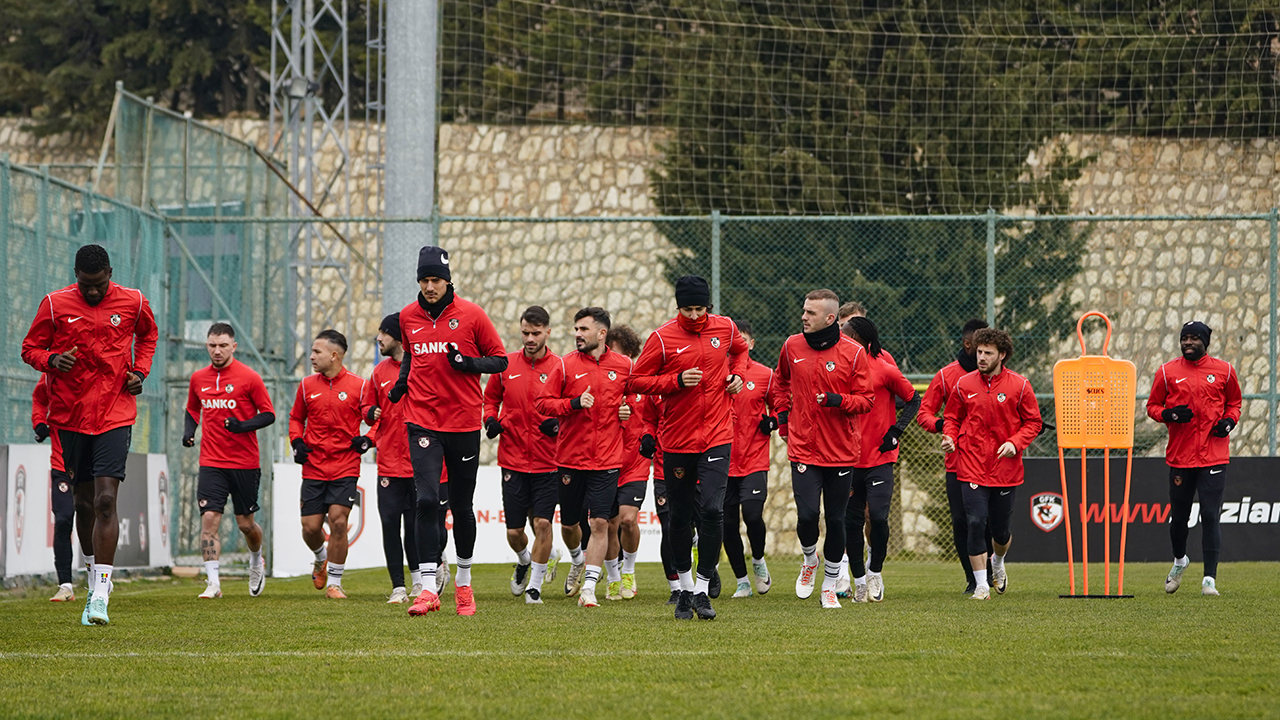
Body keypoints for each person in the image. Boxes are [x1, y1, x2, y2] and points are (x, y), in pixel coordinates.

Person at [21, 243, 158, 626]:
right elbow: (29, 348)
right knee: (82, 503)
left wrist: (140, 372)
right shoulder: (54, 304)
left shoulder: (133, 301)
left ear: (110, 273)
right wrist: (49, 359)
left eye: (98, 285)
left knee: (105, 502)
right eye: (86, 285)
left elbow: (148, 336)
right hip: (69, 416)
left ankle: (100, 594)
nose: (92, 292)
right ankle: (91, 572)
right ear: (76, 277)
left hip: (115, 413)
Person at [391, 246, 508, 617]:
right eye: (423, 280)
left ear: (447, 281)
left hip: (463, 422)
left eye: (435, 280)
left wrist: (469, 363)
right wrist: (402, 382)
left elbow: (500, 359)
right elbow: (411, 354)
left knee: (460, 505)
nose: (429, 287)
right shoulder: (407, 317)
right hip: (422, 419)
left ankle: (464, 584)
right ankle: (427, 588)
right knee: (425, 501)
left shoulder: (472, 315)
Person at [629, 275, 748, 621]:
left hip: (717, 435)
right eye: (687, 309)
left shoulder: (724, 328)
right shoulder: (663, 338)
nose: (694, 315)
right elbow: (635, 381)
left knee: (712, 511)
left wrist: (737, 374)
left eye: (700, 309)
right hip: (677, 440)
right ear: (678, 306)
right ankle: (682, 590)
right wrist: (675, 382)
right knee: (679, 519)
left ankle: (701, 589)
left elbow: (740, 351)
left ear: (708, 306)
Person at [770, 289, 873, 609]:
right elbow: (779, 384)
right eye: (804, 310)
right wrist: (784, 421)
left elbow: (866, 400)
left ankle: (829, 585)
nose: (804, 316)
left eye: (811, 313)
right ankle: (809, 560)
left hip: (841, 450)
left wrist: (837, 400)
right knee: (808, 515)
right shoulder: (791, 346)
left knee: (837, 519)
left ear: (830, 318)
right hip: (803, 447)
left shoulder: (854, 353)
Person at [534, 307, 633, 608]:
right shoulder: (564, 366)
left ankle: (589, 588)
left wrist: (627, 412)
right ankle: (577, 558)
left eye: (584, 329)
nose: (577, 334)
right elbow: (541, 403)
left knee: (601, 524)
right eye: (576, 329)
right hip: (570, 459)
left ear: (602, 333)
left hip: (607, 460)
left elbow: (639, 395)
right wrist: (573, 403)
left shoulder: (624, 365)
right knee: (569, 526)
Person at [941, 328, 1042, 601]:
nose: (981, 357)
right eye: (979, 351)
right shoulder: (964, 384)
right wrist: (950, 437)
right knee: (974, 523)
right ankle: (982, 585)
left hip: (1005, 468)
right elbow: (951, 417)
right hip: (970, 465)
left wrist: (1015, 442)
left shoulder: (1020, 385)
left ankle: (998, 561)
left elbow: (1034, 423)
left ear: (1002, 355)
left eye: (988, 353)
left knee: (1000, 531)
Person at [1146, 320, 1242, 597]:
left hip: (1214, 456)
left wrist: (1229, 421)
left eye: (1194, 338)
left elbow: (1234, 402)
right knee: (1179, 518)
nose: (1188, 342)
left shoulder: (1223, 370)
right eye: (1184, 338)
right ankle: (1180, 562)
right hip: (1180, 457)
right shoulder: (1167, 371)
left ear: (1205, 342)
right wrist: (1169, 414)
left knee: (1211, 516)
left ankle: (1209, 579)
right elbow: (1153, 405)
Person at [183, 323, 275, 599]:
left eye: (223, 345)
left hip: (245, 462)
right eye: (212, 345)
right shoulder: (198, 378)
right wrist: (190, 432)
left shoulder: (249, 377)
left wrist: (242, 426)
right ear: (206, 346)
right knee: (209, 518)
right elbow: (192, 408)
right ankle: (213, 583)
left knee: (246, 524)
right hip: (211, 461)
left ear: (233, 346)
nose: (217, 350)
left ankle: (256, 558)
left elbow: (268, 414)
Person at [483, 306, 564, 604]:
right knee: (516, 531)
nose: (530, 338)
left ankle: (536, 588)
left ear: (548, 333)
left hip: (548, 461)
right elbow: (490, 399)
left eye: (536, 333)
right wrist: (490, 419)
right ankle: (523, 559)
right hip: (513, 460)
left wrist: (559, 423)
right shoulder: (505, 365)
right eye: (525, 333)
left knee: (543, 524)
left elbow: (569, 405)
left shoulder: (560, 367)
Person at [288, 329, 372, 600]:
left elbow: (377, 419)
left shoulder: (360, 386)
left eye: (317, 352)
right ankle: (319, 557)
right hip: (313, 466)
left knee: (338, 521)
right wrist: (297, 442)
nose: (311, 356)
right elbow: (295, 419)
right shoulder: (306, 385)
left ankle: (335, 583)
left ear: (334, 355)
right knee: (310, 527)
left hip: (345, 466)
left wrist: (367, 439)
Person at [840, 316, 919, 603]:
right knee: (850, 522)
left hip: (879, 458)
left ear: (863, 341)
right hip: (846, 458)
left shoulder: (885, 369)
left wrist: (896, 430)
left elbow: (913, 400)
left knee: (879, 518)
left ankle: (875, 571)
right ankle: (859, 581)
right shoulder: (838, 369)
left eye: (847, 335)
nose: (842, 339)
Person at [916, 319, 993, 594]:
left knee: (991, 523)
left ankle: (995, 566)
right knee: (964, 522)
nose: (985, 353)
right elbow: (924, 412)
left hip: (994, 463)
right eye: (981, 347)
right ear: (968, 344)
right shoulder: (947, 375)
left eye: (990, 348)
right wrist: (944, 428)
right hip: (958, 464)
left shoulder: (1001, 377)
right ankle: (974, 579)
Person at [363, 313, 422, 604]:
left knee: (413, 525)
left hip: (418, 463)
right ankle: (398, 586)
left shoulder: (420, 369)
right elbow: (368, 405)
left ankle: (418, 581)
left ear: (398, 337)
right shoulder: (378, 372)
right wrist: (369, 413)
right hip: (388, 463)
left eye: (384, 333)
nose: (379, 338)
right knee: (389, 524)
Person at [723, 319, 776, 598]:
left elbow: (780, 404)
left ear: (751, 344)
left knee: (752, 515)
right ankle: (742, 581)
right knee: (727, 524)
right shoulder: (716, 373)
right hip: (720, 461)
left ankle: (758, 559)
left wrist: (773, 420)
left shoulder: (765, 374)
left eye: (742, 341)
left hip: (754, 459)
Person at [605, 324, 646, 601]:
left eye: (622, 355)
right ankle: (612, 577)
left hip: (635, 462)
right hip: (605, 459)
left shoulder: (643, 383)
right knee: (608, 524)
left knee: (628, 520)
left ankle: (628, 571)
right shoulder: (601, 382)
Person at [32, 375, 78, 603]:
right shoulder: (51, 374)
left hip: (89, 462)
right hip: (61, 464)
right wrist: (39, 422)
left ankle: (98, 578)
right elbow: (39, 398)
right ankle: (65, 585)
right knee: (63, 519)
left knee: (92, 515)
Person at [638, 393, 682, 603]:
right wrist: (647, 435)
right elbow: (649, 420)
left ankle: (705, 574)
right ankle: (676, 587)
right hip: (664, 471)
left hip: (694, 468)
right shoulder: (655, 389)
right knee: (668, 527)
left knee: (697, 525)